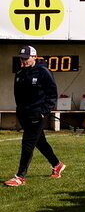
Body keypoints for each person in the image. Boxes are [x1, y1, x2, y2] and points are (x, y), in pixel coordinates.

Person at [5, 46, 62, 186]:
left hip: (38, 114)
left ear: (34, 57)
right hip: (23, 113)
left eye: (26, 58)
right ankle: (57, 164)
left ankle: (20, 176)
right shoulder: (19, 72)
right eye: (21, 58)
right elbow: (17, 94)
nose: (23, 61)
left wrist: (44, 110)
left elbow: (52, 93)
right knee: (39, 141)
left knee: (27, 143)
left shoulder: (43, 71)